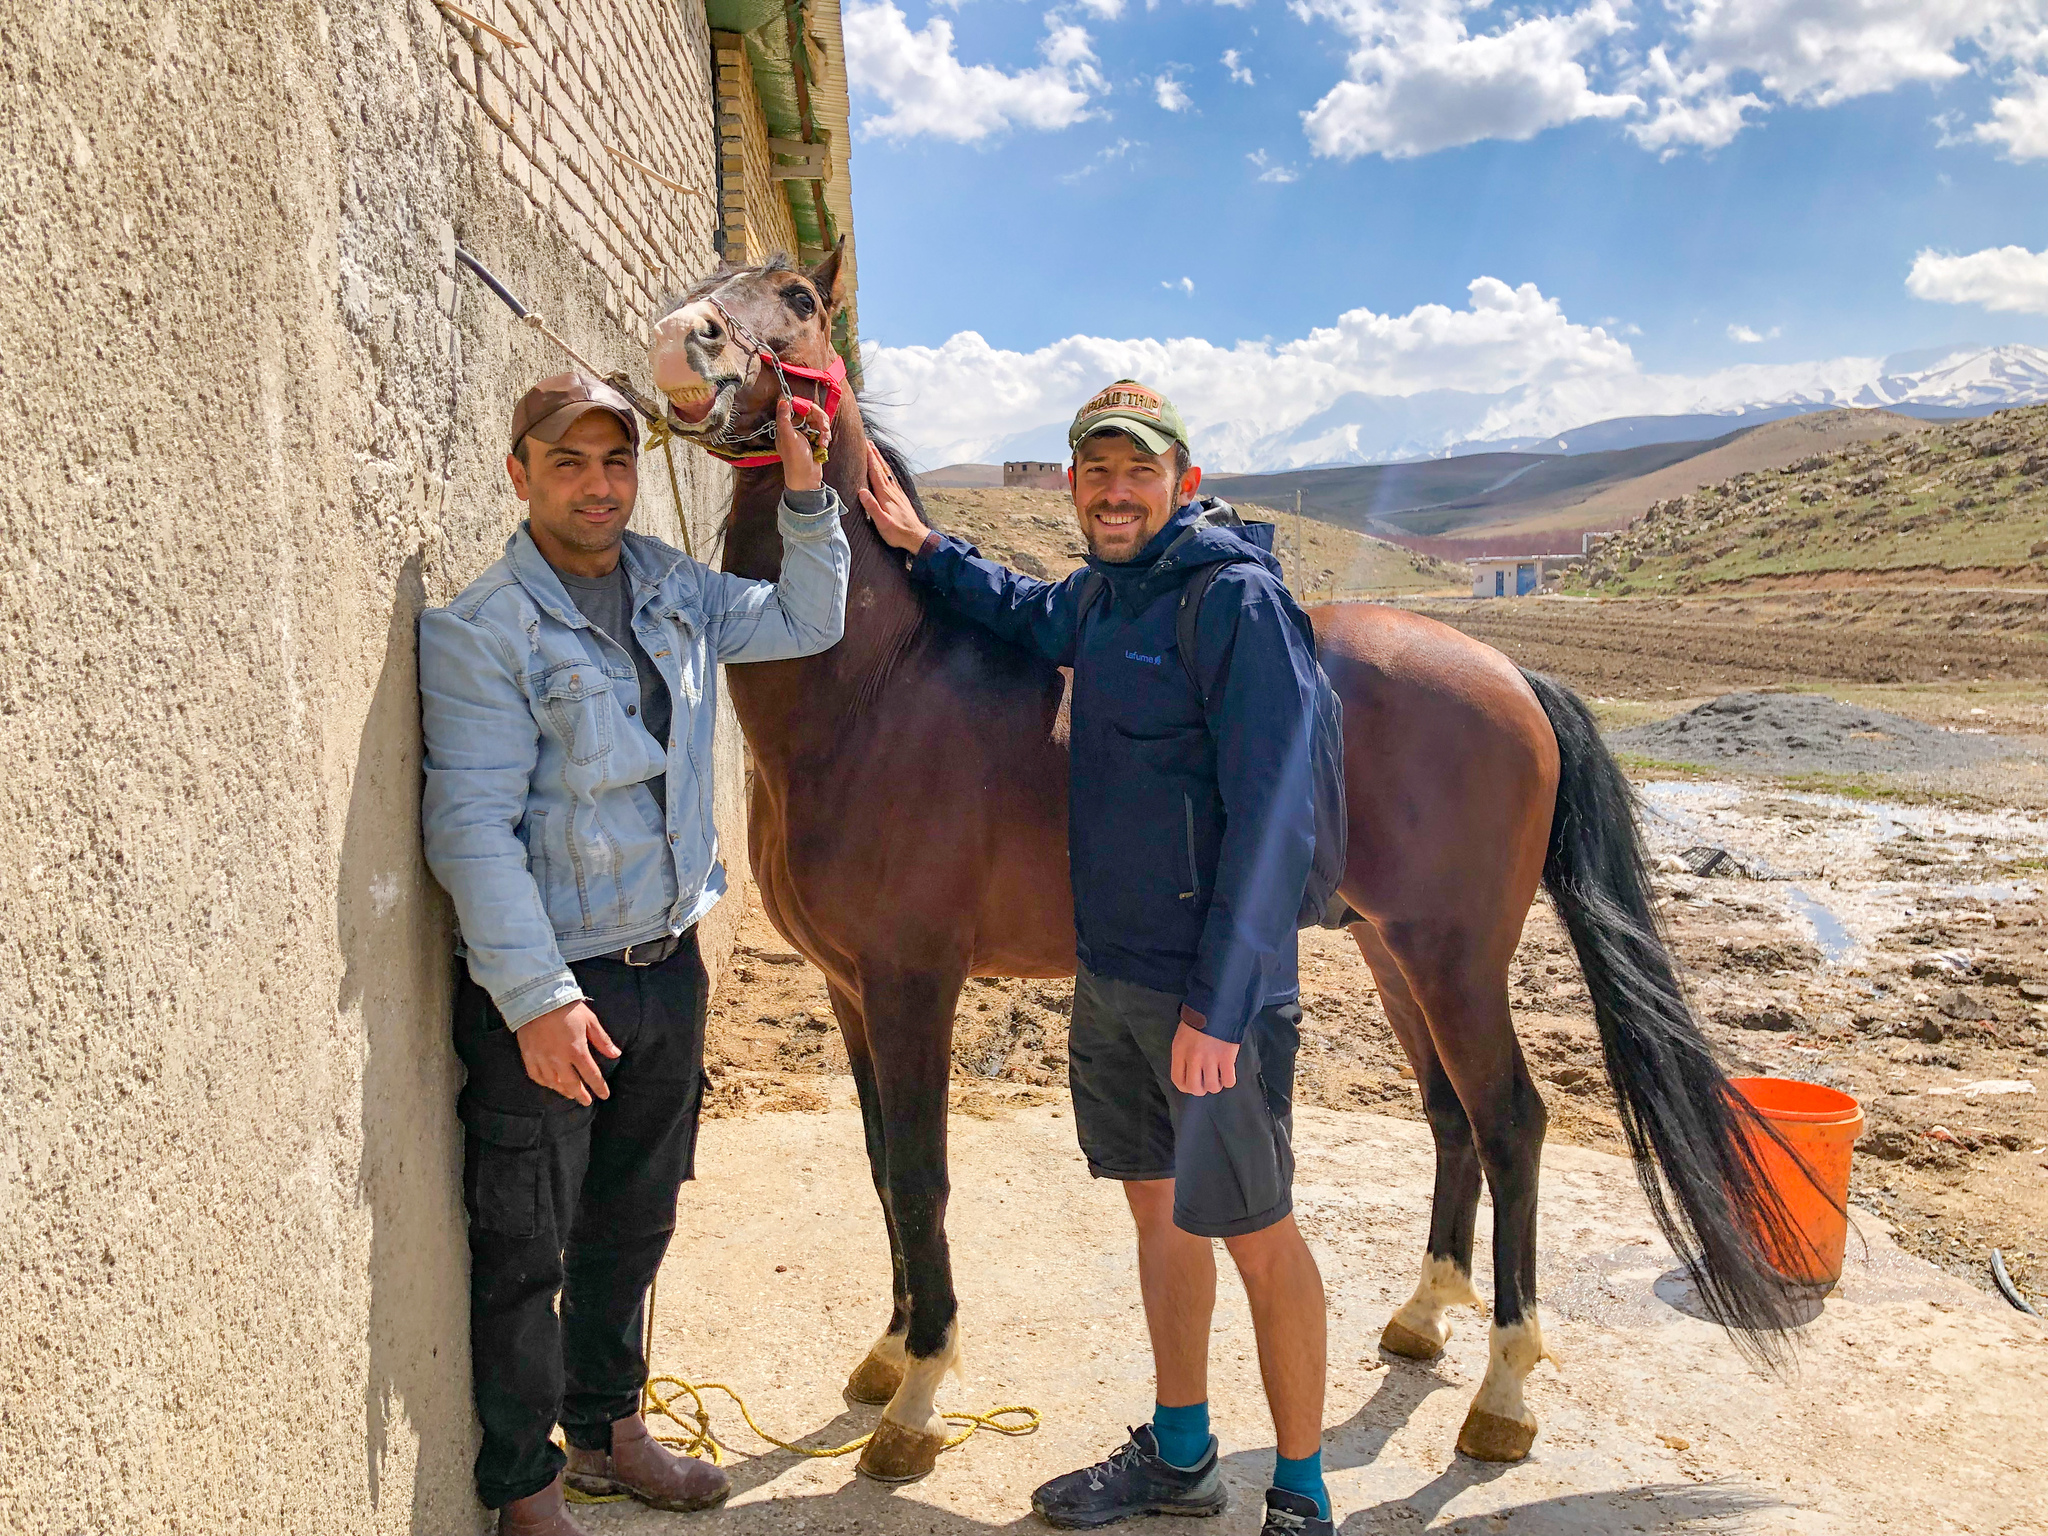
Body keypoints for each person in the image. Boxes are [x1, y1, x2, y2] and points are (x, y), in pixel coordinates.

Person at [858, 380, 1337, 1535]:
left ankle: (1303, 1491)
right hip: (1113, 978)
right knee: (1160, 1218)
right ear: (1074, 483)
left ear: (1180, 474)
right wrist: (924, 547)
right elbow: (1022, 609)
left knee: (1256, 1234)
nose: (1115, 491)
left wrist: (1219, 1010)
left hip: (1208, 998)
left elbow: (1279, 821)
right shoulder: (1104, 598)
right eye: (1096, 471)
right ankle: (1180, 1456)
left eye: (1136, 471)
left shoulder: (1230, 603)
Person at [420, 373, 848, 1535]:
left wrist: (805, 499)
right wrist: (537, 1000)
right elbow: (469, 831)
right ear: (519, 476)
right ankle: (525, 1488)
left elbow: (808, 620)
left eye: (614, 461)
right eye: (569, 462)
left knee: (634, 1217)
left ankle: (607, 1431)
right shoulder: (483, 631)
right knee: (525, 1248)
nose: (600, 485)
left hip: (669, 965)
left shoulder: (668, 586)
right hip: (556, 990)